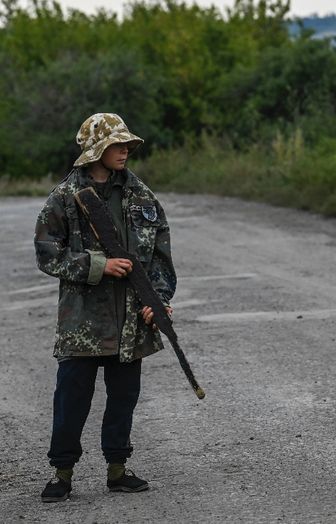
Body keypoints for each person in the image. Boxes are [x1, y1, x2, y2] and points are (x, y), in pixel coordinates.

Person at [34, 113, 176, 502]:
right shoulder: (66, 196)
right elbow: (46, 252)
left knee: (124, 398)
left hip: (131, 321)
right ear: (96, 150)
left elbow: (160, 257)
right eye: (117, 144)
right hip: (82, 321)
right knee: (72, 400)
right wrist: (99, 266)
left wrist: (158, 302)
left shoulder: (141, 195)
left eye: (127, 144)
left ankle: (117, 470)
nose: (125, 150)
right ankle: (62, 473)